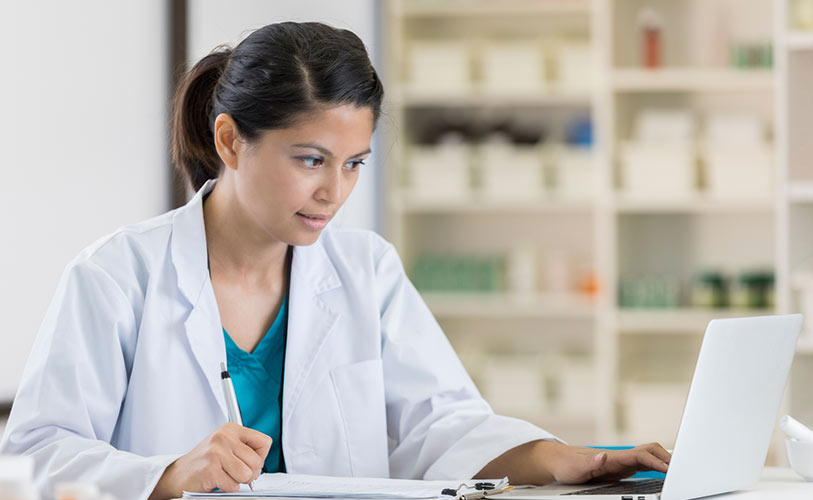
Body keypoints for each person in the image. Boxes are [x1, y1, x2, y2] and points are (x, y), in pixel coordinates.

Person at [0, 22, 670, 500]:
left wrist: (573, 461)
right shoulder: (117, 276)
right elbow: (36, 454)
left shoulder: (365, 269)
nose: (334, 191)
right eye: (310, 160)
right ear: (230, 141)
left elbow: (442, 426)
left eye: (353, 164)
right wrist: (172, 474)